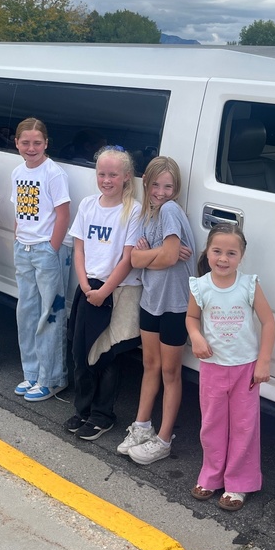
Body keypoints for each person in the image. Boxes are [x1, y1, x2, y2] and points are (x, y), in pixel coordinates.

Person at [186, 223, 275, 513]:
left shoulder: (249, 285)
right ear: (207, 252)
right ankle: (211, 476)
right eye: (217, 251)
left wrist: (263, 360)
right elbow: (191, 318)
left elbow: (269, 323)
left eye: (231, 253)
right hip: (213, 367)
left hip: (245, 370)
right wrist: (197, 336)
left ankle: (239, 482)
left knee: (244, 426)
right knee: (212, 424)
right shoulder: (200, 286)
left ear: (242, 256)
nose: (223, 258)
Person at [118, 156, 196, 465]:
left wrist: (159, 254)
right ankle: (141, 427)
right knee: (150, 365)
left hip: (175, 305)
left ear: (176, 189)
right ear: (146, 183)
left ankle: (163, 439)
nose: (161, 191)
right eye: (155, 185)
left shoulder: (170, 210)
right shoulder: (147, 216)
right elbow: (136, 261)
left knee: (170, 372)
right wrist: (159, 253)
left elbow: (165, 258)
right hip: (151, 300)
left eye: (169, 186)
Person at [64, 147, 142, 440]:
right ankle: (82, 409)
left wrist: (104, 290)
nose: (106, 180)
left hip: (116, 290)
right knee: (80, 351)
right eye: (101, 174)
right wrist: (85, 286)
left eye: (113, 174)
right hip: (88, 287)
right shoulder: (87, 205)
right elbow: (80, 249)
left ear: (126, 177)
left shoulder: (132, 209)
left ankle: (102, 414)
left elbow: (128, 258)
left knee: (106, 354)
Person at [10, 117, 71, 402]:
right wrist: (17, 238)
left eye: (37, 143)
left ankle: (52, 377)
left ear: (46, 143)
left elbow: (63, 214)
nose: (31, 148)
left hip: (45, 250)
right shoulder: (17, 172)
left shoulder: (53, 173)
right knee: (27, 312)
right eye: (25, 142)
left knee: (51, 313)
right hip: (23, 248)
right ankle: (31, 373)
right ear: (17, 143)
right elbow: (19, 211)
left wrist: (52, 247)